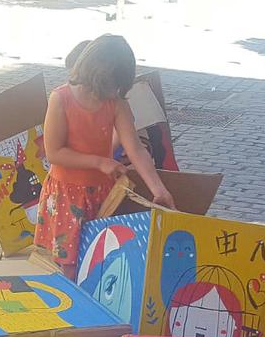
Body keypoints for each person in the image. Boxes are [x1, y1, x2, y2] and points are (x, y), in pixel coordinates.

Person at [35, 34, 175, 278]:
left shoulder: (116, 103)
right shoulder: (60, 99)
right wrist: (99, 162)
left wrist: (158, 189)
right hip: (67, 194)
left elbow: (135, 148)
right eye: (114, 85)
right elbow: (54, 153)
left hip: (104, 194)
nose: (116, 92)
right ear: (98, 76)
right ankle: (75, 311)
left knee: (102, 259)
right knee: (70, 265)